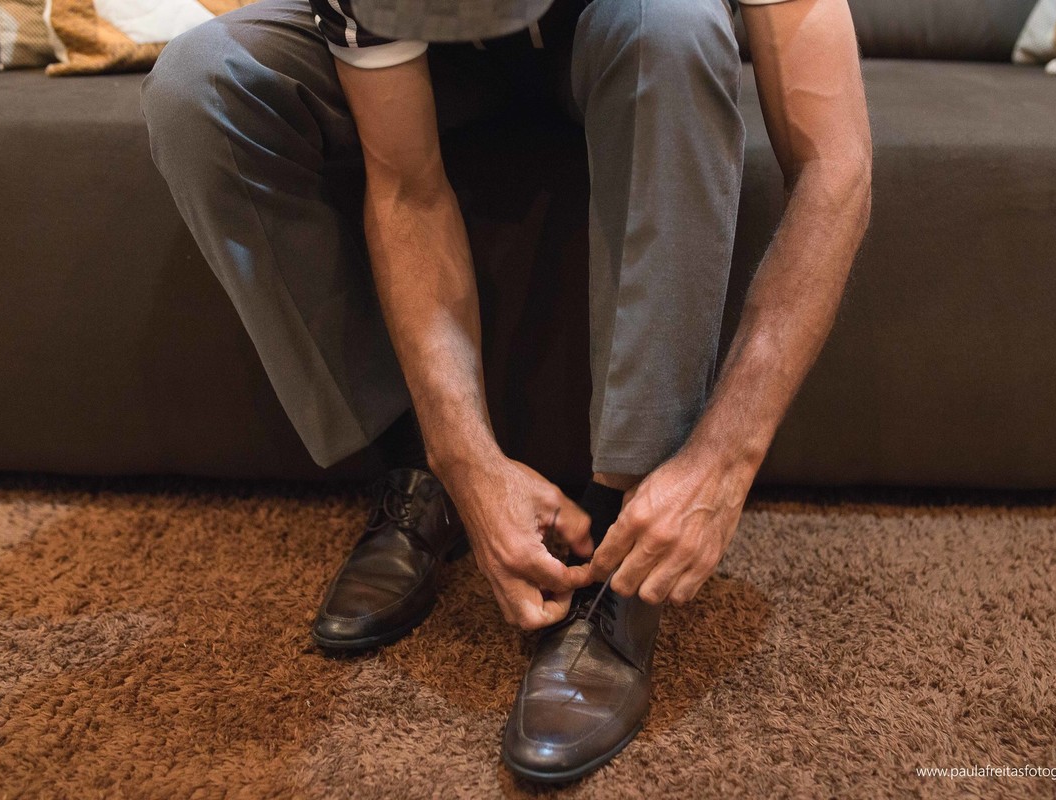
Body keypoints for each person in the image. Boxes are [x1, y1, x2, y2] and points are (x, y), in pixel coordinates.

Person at [140, 0, 871, 782]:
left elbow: (837, 166)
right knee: (198, 84)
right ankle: (412, 478)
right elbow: (406, 185)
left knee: (672, 21)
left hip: (624, 27)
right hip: (438, 66)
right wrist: (460, 459)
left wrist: (722, 460)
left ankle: (618, 544)